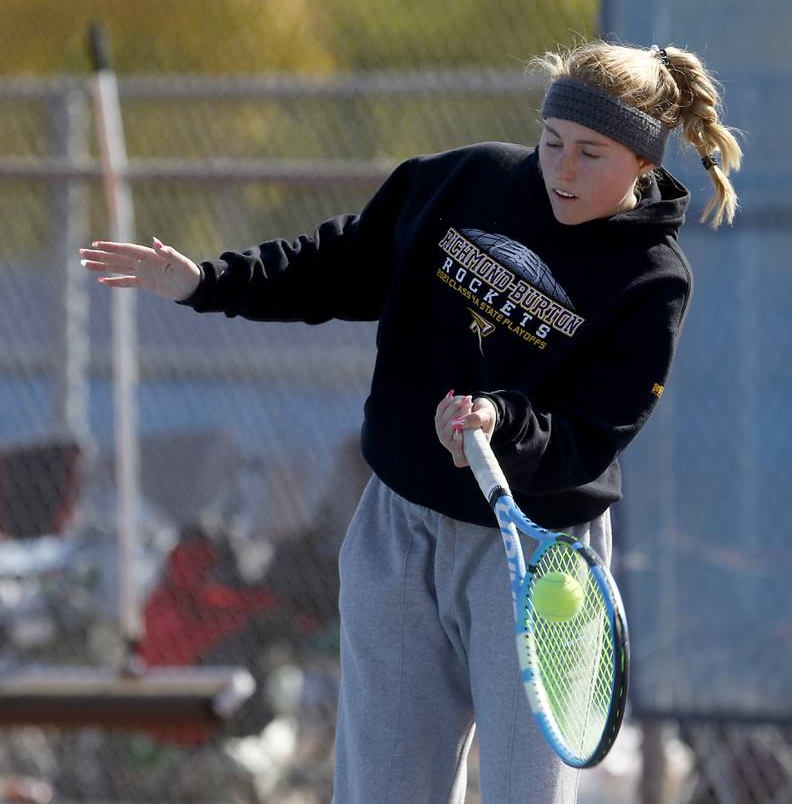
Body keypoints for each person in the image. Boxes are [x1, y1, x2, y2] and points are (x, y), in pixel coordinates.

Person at [80, 40, 741, 804]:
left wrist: (502, 420)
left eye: (591, 154)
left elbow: (595, 432)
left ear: (641, 161)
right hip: (399, 531)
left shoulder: (652, 280)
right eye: (552, 142)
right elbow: (337, 262)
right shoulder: (465, 182)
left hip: (537, 562)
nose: (561, 169)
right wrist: (205, 281)